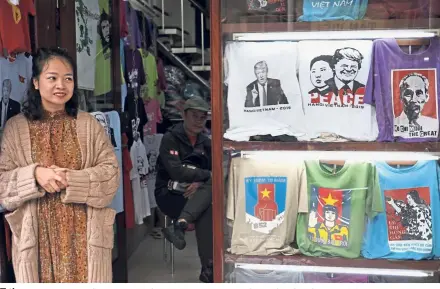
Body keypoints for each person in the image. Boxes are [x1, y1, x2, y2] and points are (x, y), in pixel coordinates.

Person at [0, 48, 120, 283]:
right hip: (37, 241)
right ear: (35, 82)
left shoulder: (88, 125)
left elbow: (111, 176)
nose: (61, 85)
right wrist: (35, 175)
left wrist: (72, 180)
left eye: (68, 78)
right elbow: (2, 184)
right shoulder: (16, 128)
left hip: (85, 237)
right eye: (52, 78)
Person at [155, 97, 213, 283]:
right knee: (207, 204)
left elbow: (216, 171)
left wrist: (199, 181)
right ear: (183, 115)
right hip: (170, 194)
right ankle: (209, 269)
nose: (198, 121)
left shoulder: (205, 141)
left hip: (196, 196)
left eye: (202, 117)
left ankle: (180, 224)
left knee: (208, 207)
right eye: (194, 116)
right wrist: (203, 177)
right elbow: (176, 170)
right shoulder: (170, 138)